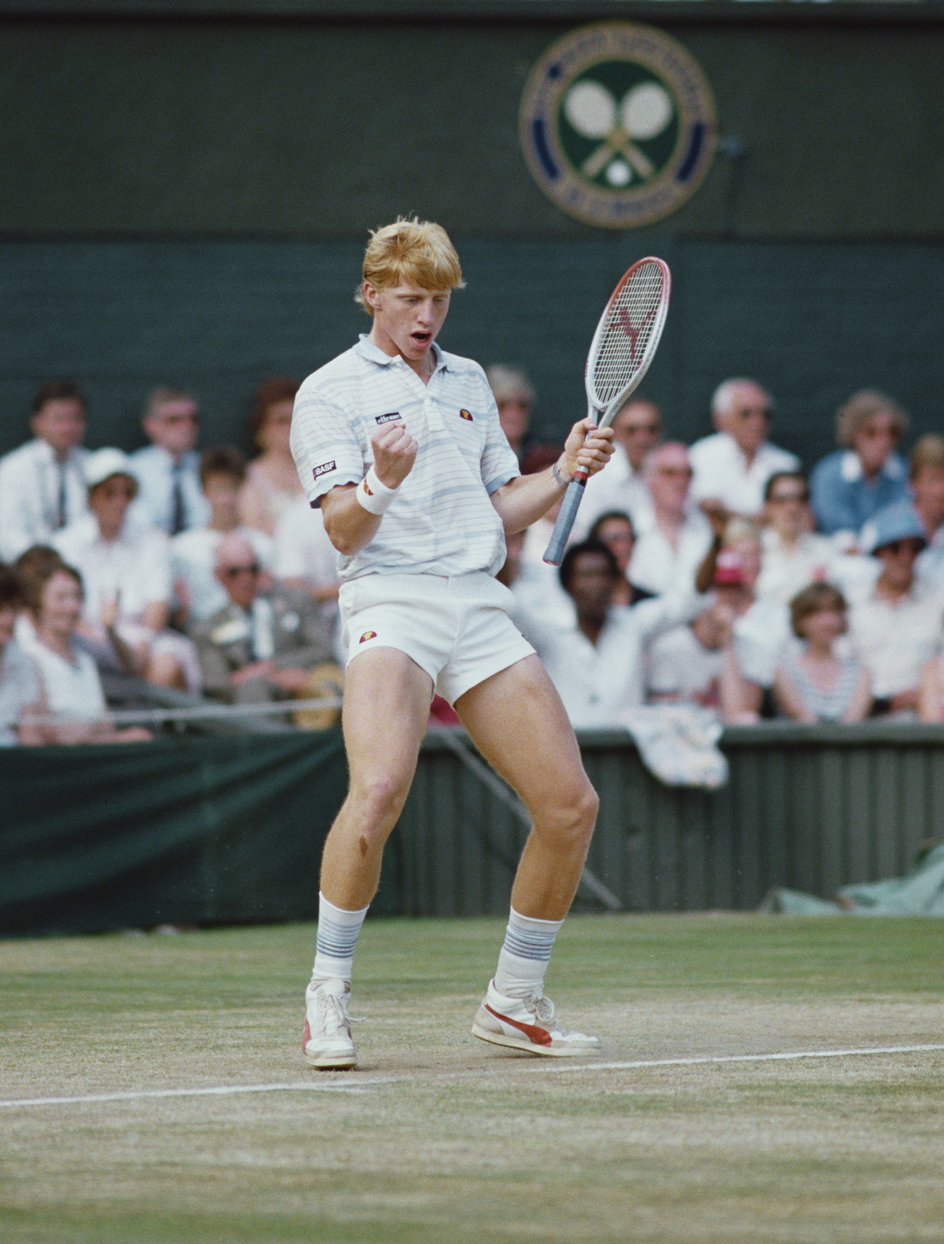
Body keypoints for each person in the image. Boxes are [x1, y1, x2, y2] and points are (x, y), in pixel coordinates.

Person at [289, 217, 614, 1069]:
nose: (427, 314)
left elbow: (495, 509)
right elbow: (345, 532)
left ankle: (513, 1001)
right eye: (409, 299)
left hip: (476, 602)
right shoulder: (326, 391)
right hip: (388, 600)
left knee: (570, 805)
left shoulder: (467, 379)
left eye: (438, 299)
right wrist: (379, 482)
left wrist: (563, 471)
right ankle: (326, 999)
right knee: (382, 787)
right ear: (370, 295)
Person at [52, 448, 200, 691]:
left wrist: (140, 647)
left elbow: (157, 606)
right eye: (109, 493)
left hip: (144, 641)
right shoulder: (65, 544)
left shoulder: (153, 540)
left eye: (127, 494)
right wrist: (103, 644)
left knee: (166, 666)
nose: (119, 502)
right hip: (83, 639)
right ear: (92, 497)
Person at [521, 539, 702, 728]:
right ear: (567, 585)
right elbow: (511, 607)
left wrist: (716, 539)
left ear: (614, 581)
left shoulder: (634, 625)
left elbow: (690, 598)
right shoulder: (548, 630)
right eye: (586, 575)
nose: (597, 584)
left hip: (625, 751)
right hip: (566, 749)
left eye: (603, 574)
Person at [190, 532, 338, 725]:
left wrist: (273, 668)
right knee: (254, 687)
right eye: (234, 572)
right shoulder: (208, 627)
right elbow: (216, 683)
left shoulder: (295, 603)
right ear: (218, 576)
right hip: (246, 712)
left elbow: (323, 649)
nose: (246, 578)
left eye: (252, 569)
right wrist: (269, 677)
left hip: (303, 696)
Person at [17, 558, 153, 744]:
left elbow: (105, 725)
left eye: (77, 597)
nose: (72, 607)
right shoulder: (29, 657)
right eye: (61, 598)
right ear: (38, 605)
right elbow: (50, 734)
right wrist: (121, 738)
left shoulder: (85, 660)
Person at [844, 500, 944, 716]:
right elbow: (839, 666)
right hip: (864, 716)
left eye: (914, 548)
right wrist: (884, 703)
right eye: (895, 548)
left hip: (925, 716)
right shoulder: (852, 602)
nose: (905, 557)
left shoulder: (937, 602)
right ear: (879, 552)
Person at [171, 446, 275, 627]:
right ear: (203, 491)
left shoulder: (264, 545)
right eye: (219, 489)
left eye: (233, 488)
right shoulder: (181, 548)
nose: (227, 499)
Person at [0, 380, 90, 561]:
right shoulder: (13, 469)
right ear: (36, 422)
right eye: (58, 419)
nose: (68, 427)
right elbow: (7, 534)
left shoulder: (92, 465)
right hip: (29, 572)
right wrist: (45, 566)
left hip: (85, 568)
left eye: (76, 419)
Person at [689, 377, 800, 521]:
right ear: (721, 418)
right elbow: (707, 508)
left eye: (765, 414)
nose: (758, 422)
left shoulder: (786, 464)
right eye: (746, 414)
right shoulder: (700, 456)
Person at [809, 389, 909, 545]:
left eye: (892, 432)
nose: (884, 441)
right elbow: (837, 530)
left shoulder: (905, 472)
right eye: (872, 432)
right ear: (854, 434)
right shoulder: (829, 474)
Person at [772, 582, 871, 723]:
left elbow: (853, 723)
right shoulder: (785, 671)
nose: (828, 621)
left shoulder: (860, 672)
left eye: (834, 612)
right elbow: (803, 720)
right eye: (818, 613)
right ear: (800, 620)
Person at [628, 442, 713, 596]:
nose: (681, 481)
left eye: (687, 473)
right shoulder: (630, 527)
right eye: (669, 473)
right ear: (648, 478)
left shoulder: (707, 528)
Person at [129, 386, 210, 535]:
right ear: (150, 425)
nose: (187, 426)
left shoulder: (208, 467)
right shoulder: (133, 471)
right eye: (174, 419)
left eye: (193, 419)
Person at [578, 394, 664, 534]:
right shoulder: (596, 475)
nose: (642, 438)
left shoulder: (669, 472)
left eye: (651, 429)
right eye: (631, 430)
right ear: (615, 432)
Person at [755, 471, 845, 604]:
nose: (792, 508)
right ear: (767, 507)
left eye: (800, 499)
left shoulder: (825, 549)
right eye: (781, 500)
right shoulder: (752, 550)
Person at [237, 377, 306, 536]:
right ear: (262, 428)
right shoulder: (251, 477)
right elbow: (252, 528)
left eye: (296, 418)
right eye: (282, 421)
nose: (291, 427)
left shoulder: (319, 468)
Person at [0, 563, 45, 746]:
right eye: (1, 610)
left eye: (13, 609)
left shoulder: (21, 660)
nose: (9, 619)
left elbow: (30, 735)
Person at [586, 510, 653, 607]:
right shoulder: (583, 605)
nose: (624, 547)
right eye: (614, 539)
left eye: (629, 538)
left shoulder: (650, 604)